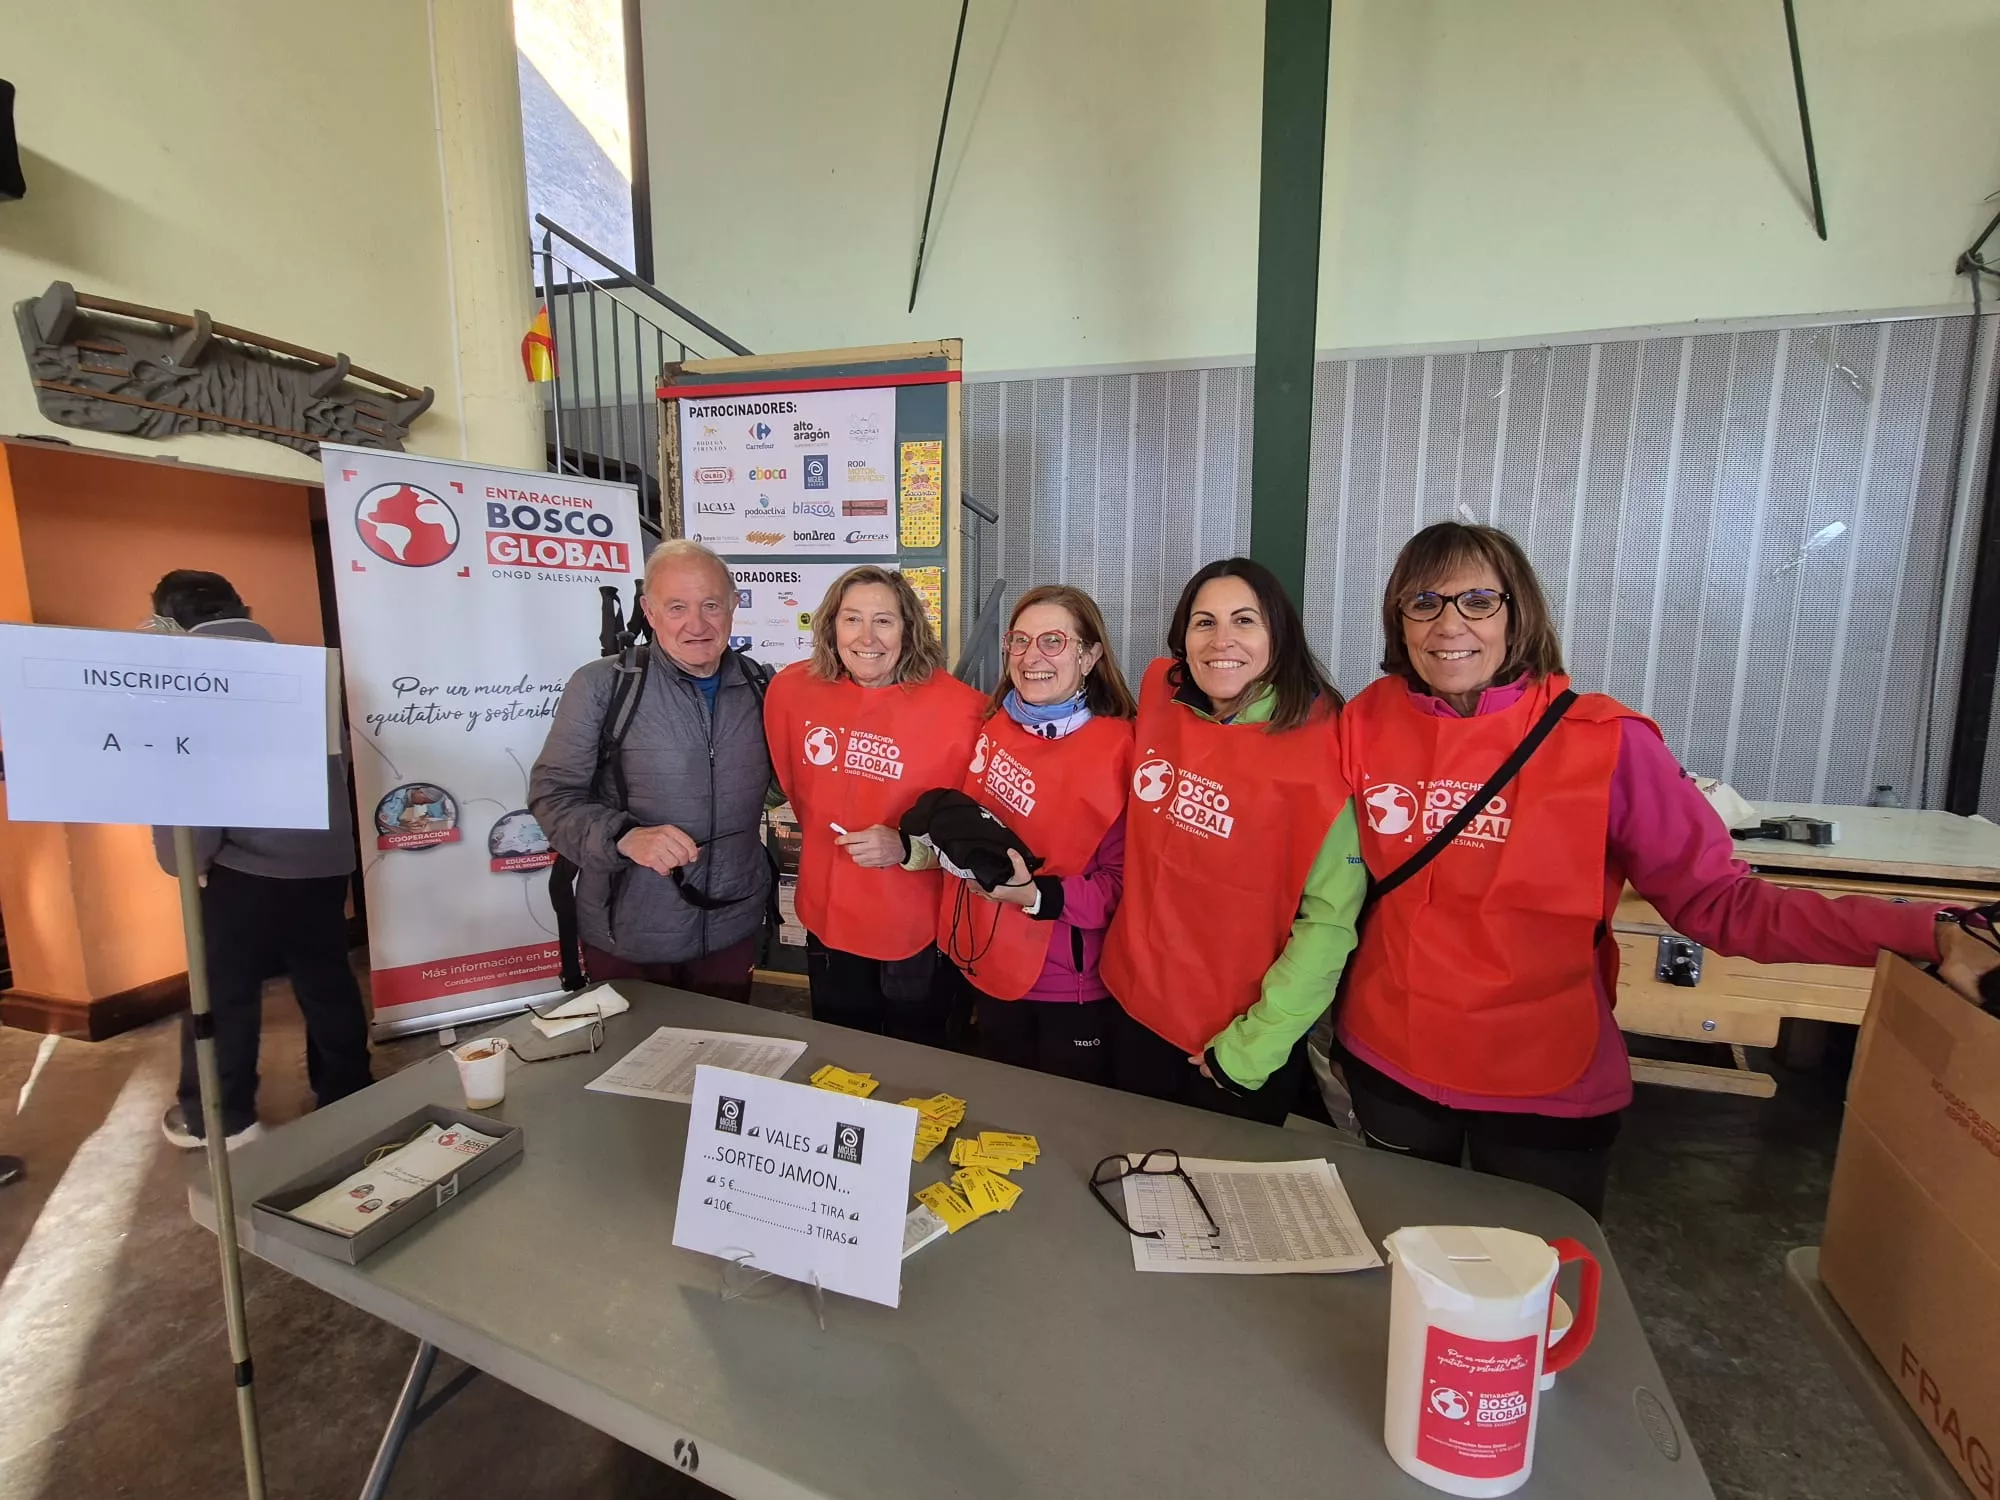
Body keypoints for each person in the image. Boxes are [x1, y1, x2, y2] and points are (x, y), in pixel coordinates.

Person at [1334, 521, 2000, 1218]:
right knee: (1399, 1269)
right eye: (1424, 602)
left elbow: (1724, 904)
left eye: (1477, 601)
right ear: (1399, 619)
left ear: (1516, 612)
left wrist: (1933, 929)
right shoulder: (1367, 720)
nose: (1449, 625)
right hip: (1389, 1060)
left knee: (1538, 1302)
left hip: (1540, 1079)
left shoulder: (1605, 743)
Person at [1101, 558, 1366, 1124]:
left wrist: (1254, 1047)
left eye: (1244, 621)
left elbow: (1328, 924)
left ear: (1280, 633)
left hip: (1234, 1038)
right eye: (1204, 622)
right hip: (1133, 1000)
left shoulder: (1328, 746)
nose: (1222, 641)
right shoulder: (1160, 691)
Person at [146, 570, 371, 1149]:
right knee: (325, 976)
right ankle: (349, 1093)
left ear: (170, 620)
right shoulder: (304, 668)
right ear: (241, 605)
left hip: (243, 866)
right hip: (323, 856)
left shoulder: (181, 675)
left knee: (224, 991)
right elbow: (336, 765)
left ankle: (220, 1120)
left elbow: (191, 780)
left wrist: (187, 858)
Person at [530, 540, 772, 1001]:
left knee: (724, 1056)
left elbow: (791, 785)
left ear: (734, 607)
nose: (696, 624)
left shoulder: (761, 686)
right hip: (631, 931)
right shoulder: (603, 685)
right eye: (677, 606)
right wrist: (624, 836)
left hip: (731, 924)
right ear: (649, 610)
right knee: (631, 1068)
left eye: (711, 605)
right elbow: (552, 795)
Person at [915, 586, 1136, 1083]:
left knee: (1067, 1128)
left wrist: (1038, 896)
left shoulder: (1124, 749)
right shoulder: (992, 726)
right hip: (984, 963)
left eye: (1053, 641)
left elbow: (1121, 885)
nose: (1032, 656)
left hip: (1068, 986)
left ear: (1090, 655)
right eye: (1020, 640)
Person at [764, 566, 983, 1044]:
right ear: (830, 627)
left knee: (917, 1060)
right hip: (827, 912)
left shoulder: (963, 711)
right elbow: (791, 782)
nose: (867, 637)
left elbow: (977, 830)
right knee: (840, 1052)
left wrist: (906, 846)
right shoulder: (791, 691)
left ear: (908, 627)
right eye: (851, 619)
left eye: (883, 620)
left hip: (916, 926)